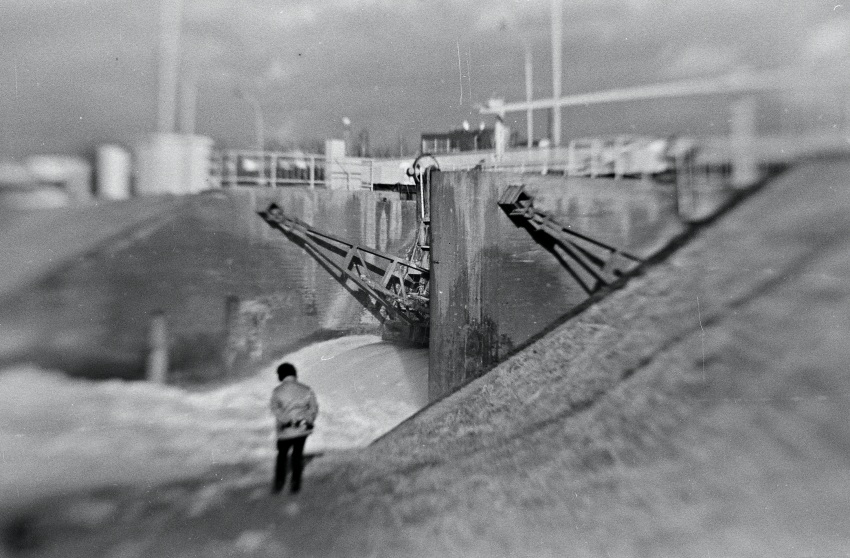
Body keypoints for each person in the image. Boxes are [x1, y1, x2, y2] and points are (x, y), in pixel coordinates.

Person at [270, 362, 318, 494]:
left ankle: (279, 482)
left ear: (281, 375)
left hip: (285, 430)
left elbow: (275, 409)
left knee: (282, 455)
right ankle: (295, 483)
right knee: (297, 454)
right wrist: (307, 419)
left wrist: (286, 420)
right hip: (303, 429)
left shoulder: (278, 391)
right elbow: (313, 408)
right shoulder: (306, 389)